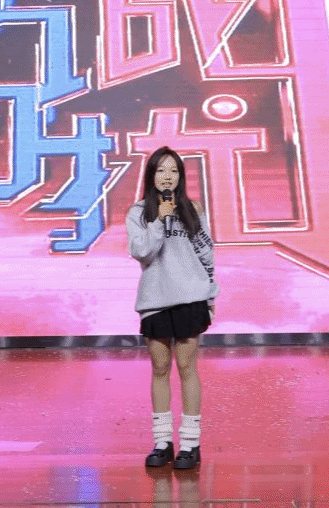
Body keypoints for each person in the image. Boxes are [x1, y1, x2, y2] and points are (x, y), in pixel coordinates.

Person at [127, 146, 218, 471]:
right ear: (151, 175)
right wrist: (159, 221)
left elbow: (207, 254)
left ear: (181, 176)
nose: (168, 177)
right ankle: (162, 442)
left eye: (174, 171)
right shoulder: (139, 212)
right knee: (160, 368)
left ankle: (190, 444)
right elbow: (142, 252)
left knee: (187, 367)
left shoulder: (192, 209)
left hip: (191, 297)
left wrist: (211, 297)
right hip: (155, 299)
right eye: (161, 170)